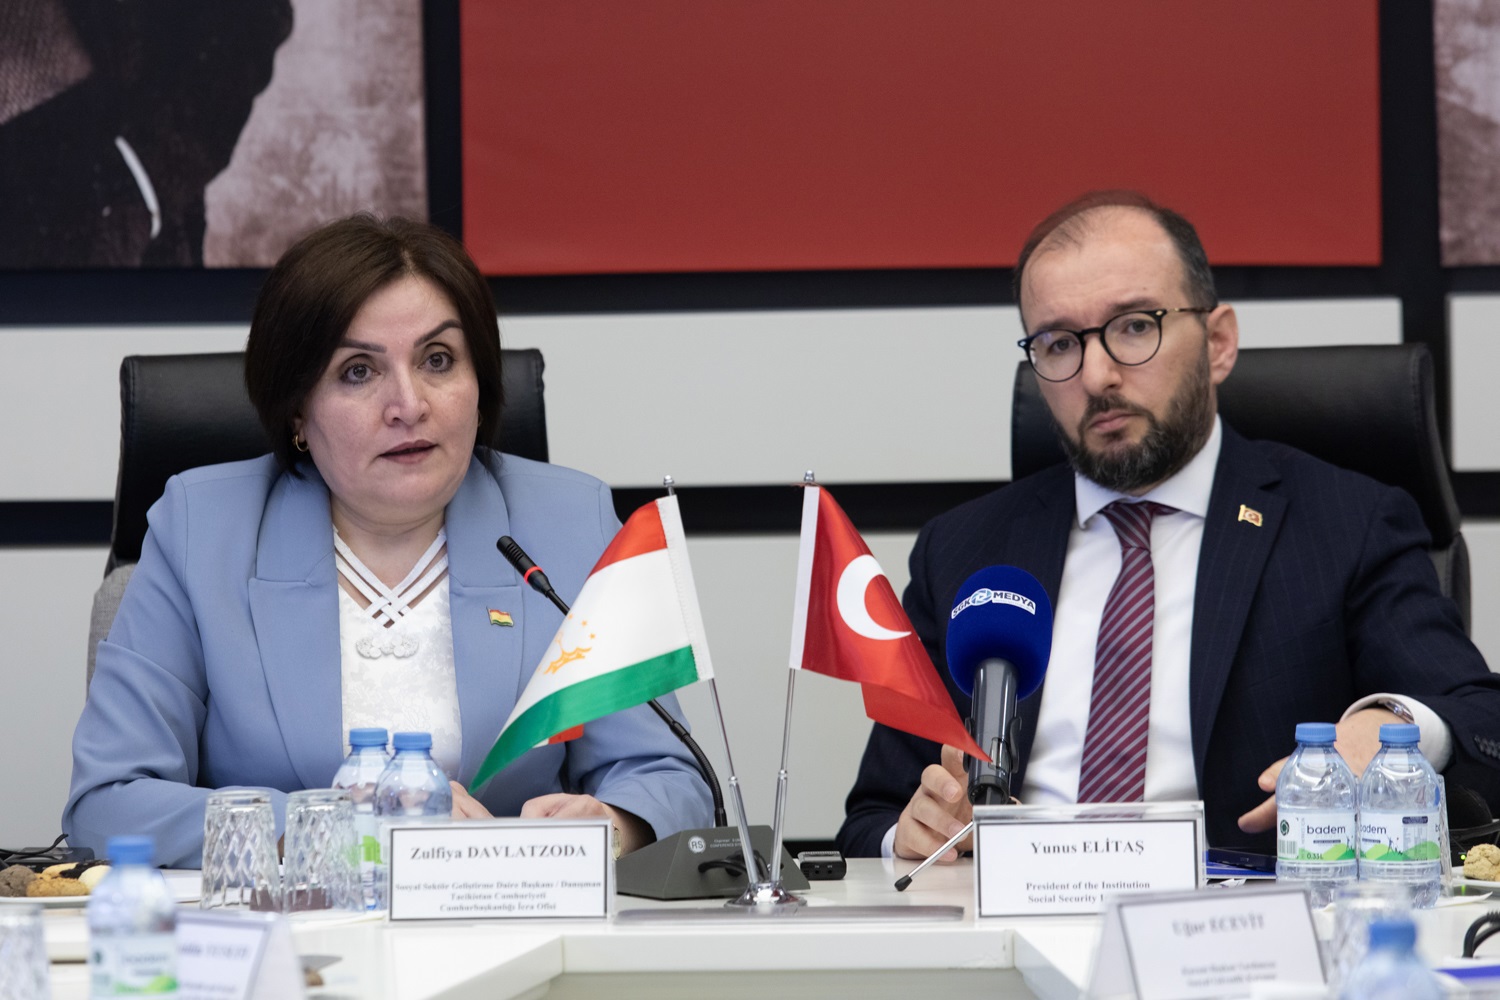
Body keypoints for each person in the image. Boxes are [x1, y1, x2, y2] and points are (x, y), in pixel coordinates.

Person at [838, 190, 1500, 861]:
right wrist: (913, 833)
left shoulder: (1346, 523)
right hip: (1013, 911)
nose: (1097, 376)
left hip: (1240, 912)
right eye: (1059, 343)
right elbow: (873, 815)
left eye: (1134, 326)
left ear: (1218, 342)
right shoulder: (966, 550)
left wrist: (1391, 728)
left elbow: (1481, 722)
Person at [64, 215, 713, 867]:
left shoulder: (569, 522)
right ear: (297, 410)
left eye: (438, 360)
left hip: (507, 912)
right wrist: (339, 829)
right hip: (288, 921)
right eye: (357, 371)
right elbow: (110, 801)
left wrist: (612, 824)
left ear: (481, 386)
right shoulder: (201, 530)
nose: (409, 403)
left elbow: (668, 775)